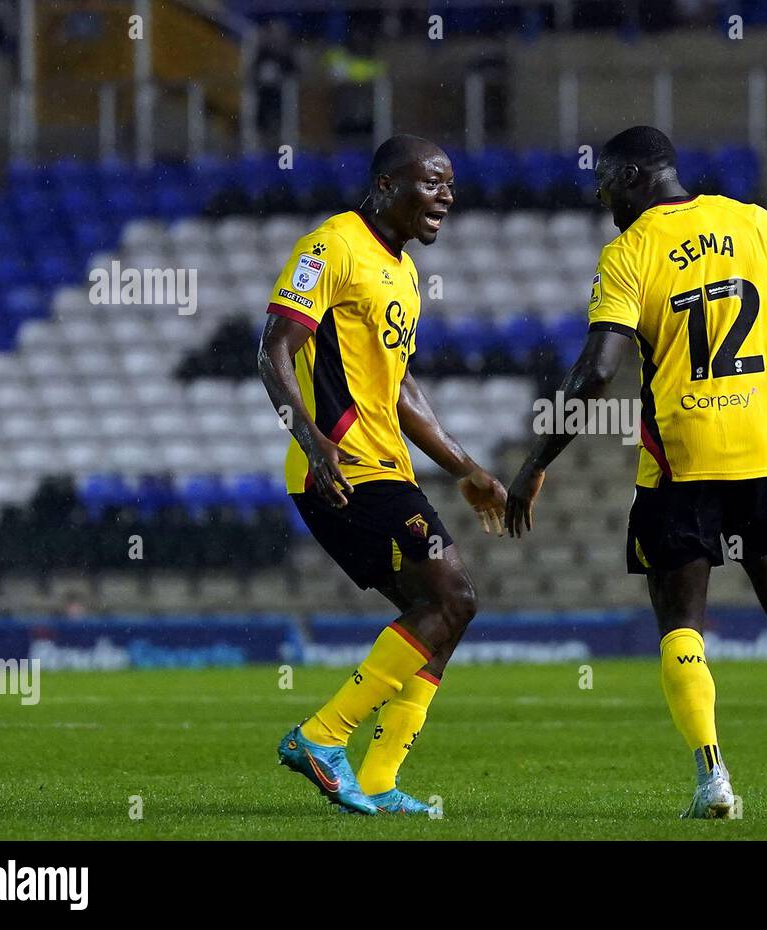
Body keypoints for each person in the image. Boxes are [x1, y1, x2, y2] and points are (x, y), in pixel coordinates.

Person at [504, 126, 767, 818]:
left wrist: (537, 462)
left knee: (682, 621)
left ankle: (714, 780)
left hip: (680, 463)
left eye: (604, 181)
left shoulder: (630, 252)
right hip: (763, 455)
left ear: (633, 177)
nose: (600, 196)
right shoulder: (754, 222)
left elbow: (598, 372)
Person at [257, 134, 508, 815]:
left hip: (385, 465)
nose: (446, 197)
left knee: (443, 614)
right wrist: (311, 441)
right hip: (343, 468)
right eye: (432, 182)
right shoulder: (330, 246)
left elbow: (401, 392)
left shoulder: (403, 274)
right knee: (452, 598)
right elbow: (274, 347)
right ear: (387, 186)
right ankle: (321, 735)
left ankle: (376, 779)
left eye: (450, 184)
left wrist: (466, 468)